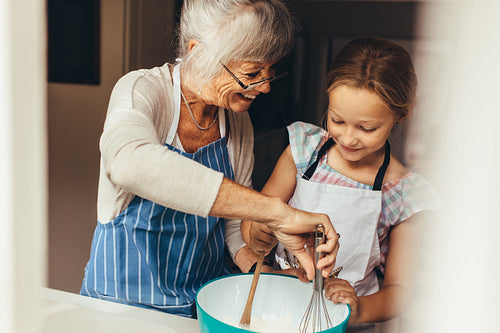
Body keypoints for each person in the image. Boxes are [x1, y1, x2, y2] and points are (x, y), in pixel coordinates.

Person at [80, 0, 339, 319]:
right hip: (118, 309)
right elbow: (128, 163)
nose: (266, 86)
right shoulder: (143, 92)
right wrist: (275, 211)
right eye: (252, 72)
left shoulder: (237, 122)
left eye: (271, 71)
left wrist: (265, 271)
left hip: (200, 307)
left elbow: (231, 228)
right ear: (198, 52)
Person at [242, 36, 440, 331]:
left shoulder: (403, 193)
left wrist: (358, 309)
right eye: (337, 120)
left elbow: (400, 292)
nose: (348, 138)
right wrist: (262, 232)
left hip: (347, 326)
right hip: (278, 312)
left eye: (367, 128)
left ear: (402, 113)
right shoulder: (303, 151)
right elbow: (252, 227)